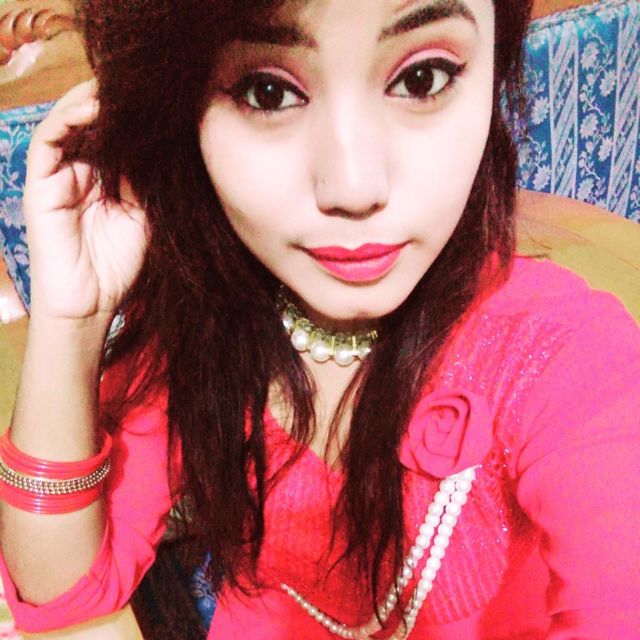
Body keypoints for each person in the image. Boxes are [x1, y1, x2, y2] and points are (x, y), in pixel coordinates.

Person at [0, 0, 639, 638]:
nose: (353, 188)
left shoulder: (562, 357)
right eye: (268, 92)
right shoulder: (197, 319)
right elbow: (59, 588)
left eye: (423, 79)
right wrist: (73, 318)